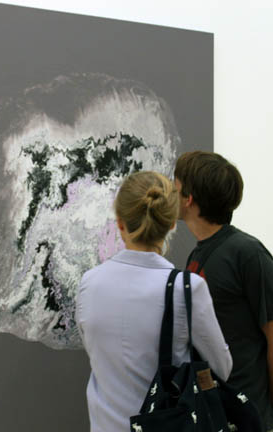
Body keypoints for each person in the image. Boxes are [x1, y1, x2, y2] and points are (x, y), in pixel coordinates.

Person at [76, 171, 233, 432]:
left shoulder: (89, 283)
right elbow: (221, 369)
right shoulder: (187, 288)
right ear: (171, 224)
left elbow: (95, 350)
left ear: (120, 224)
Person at [173, 151, 273, 432]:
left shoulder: (248, 254)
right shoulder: (198, 254)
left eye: (175, 187)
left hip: (246, 416)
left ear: (189, 198)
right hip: (212, 412)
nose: (171, 193)